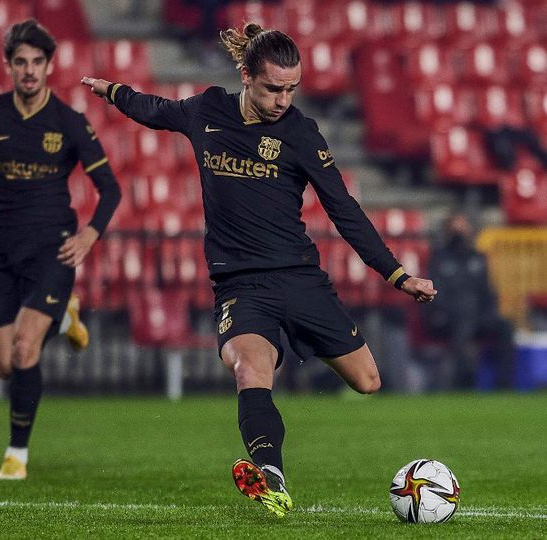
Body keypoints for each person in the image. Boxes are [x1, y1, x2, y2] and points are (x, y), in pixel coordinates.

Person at [82, 22, 436, 518]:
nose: (282, 100)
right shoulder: (208, 110)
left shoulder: (301, 133)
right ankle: (271, 475)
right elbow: (156, 111)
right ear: (246, 77)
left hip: (300, 278)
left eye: (291, 89)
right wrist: (114, 91)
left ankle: (283, 370)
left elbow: (344, 210)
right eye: (273, 88)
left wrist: (397, 275)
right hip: (241, 285)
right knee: (250, 370)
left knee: (368, 381)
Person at [0, 19, 121, 481]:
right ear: (8, 66)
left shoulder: (69, 122)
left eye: (37, 62)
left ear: (49, 66)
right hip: (0, 249)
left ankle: (17, 453)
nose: (29, 70)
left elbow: (110, 189)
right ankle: (66, 317)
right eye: (20, 62)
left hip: (53, 252)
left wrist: (90, 235)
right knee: (2, 365)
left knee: (23, 349)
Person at [425, 212, 514, 389]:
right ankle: (465, 384)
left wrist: (489, 311)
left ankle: (504, 384)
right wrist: (440, 313)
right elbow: (434, 293)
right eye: (454, 228)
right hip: (450, 318)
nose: (459, 233)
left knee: (505, 327)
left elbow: (488, 293)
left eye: (462, 228)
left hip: (478, 316)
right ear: (447, 231)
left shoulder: (478, 258)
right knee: (463, 328)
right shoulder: (439, 259)